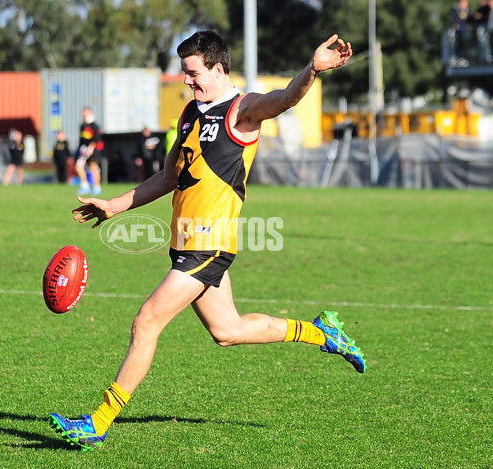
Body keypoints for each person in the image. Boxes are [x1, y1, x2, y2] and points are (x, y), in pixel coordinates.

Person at [49, 31, 365, 452]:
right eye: (184, 73)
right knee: (227, 331)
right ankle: (321, 333)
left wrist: (312, 69)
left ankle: (98, 423)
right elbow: (167, 177)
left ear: (218, 69)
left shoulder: (243, 109)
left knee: (146, 322)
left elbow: (286, 97)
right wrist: (114, 206)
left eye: (193, 73)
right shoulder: (189, 115)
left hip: (210, 244)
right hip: (184, 242)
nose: (187, 81)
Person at [75, 107, 103, 195]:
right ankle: (85, 186)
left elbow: (97, 139)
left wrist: (91, 148)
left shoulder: (93, 125)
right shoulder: (83, 125)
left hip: (93, 150)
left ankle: (97, 187)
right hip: (84, 150)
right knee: (79, 166)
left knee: (93, 167)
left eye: (86, 113)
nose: (84, 115)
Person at [450, 0, 471, 66]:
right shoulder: (456, 10)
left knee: (463, 44)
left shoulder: (466, 10)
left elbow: (468, 19)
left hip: (464, 31)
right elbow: (456, 21)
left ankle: (461, 58)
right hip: (459, 32)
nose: (466, 5)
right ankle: (458, 58)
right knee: (459, 44)